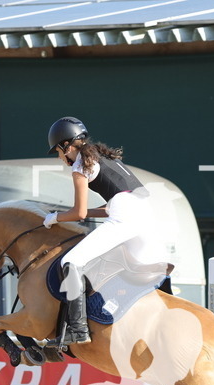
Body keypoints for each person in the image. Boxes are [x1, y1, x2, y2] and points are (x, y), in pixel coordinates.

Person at [43, 116, 168, 345]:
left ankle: (78, 329)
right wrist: (83, 212)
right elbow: (112, 206)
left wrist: (55, 217)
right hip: (147, 218)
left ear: (66, 145)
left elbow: (78, 213)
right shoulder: (106, 157)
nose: (61, 158)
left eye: (58, 152)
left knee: (70, 262)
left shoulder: (81, 164)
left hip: (125, 218)